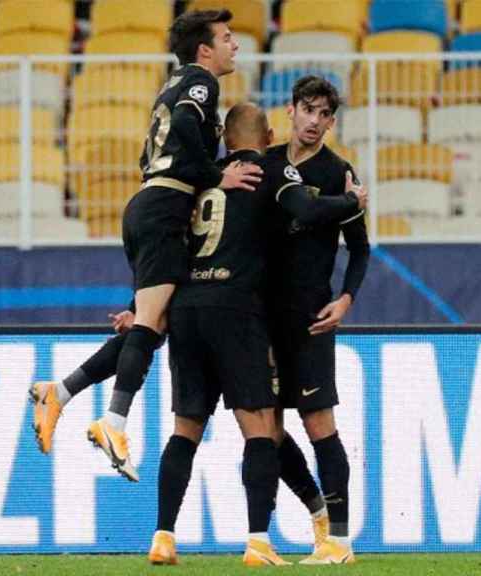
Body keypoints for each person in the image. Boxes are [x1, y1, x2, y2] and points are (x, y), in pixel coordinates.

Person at [29, 9, 261, 481]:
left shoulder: (172, 83)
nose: (234, 45)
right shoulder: (200, 83)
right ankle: (112, 422)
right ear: (204, 49)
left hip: (152, 207)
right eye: (227, 37)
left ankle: (61, 392)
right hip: (163, 209)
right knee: (150, 325)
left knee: (148, 327)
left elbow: (152, 152)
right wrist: (219, 175)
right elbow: (180, 128)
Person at [146, 101, 365, 567]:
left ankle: (163, 536)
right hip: (239, 310)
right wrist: (352, 201)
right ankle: (259, 542)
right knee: (263, 427)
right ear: (269, 132)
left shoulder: (200, 180)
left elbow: (165, 247)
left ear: (224, 138)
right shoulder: (267, 171)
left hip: (186, 307)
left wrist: (141, 308)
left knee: (186, 428)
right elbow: (304, 205)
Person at [262, 74, 370, 565]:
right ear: (291, 111)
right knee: (264, 427)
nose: (315, 121)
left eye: (325, 114)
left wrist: (346, 299)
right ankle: (317, 510)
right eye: (308, 109)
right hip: (260, 318)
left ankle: (341, 543)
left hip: (310, 317)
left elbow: (361, 250)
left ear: (331, 121)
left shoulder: (338, 171)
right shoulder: (263, 165)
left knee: (318, 422)